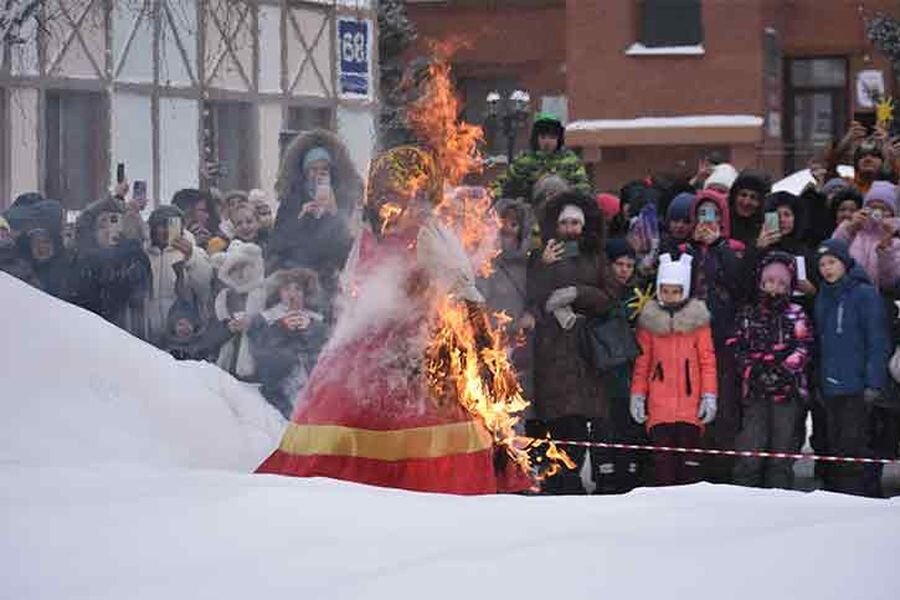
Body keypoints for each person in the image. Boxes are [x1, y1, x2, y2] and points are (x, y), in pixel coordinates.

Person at [257, 146, 523, 495]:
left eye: (402, 193)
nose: (394, 203)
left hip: (419, 346)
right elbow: (352, 286)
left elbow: (461, 286)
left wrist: (479, 344)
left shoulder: (429, 233)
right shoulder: (367, 234)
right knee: (340, 411)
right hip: (365, 342)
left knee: (424, 425)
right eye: (386, 194)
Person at [527, 190, 617, 494]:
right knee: (560, 422)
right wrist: (543, 266)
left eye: (575, 223)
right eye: (564, 222)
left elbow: (609, 297)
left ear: (584, 225)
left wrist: (579, 293)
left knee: (580, 422)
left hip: (586, 350)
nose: (569, 228)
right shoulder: (543, 255)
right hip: (552, 351)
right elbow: (531, 300)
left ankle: (572, 481)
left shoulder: (596, 257)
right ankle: (563, 482)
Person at [630, 253, 718, 486]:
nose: (670, 296)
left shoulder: (697, 323)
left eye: (675, 291)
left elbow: (707, 362)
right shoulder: (649, 323)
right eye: (665, 290)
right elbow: (642, 363)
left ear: (685, 290)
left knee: (689, 463)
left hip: (690, 407)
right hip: (660, 407)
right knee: (663, 464)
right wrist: (638, 395)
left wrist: (709, 396)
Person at [678, 188, 746, 482]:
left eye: (713, 215)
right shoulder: (683, 250)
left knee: (723, 401)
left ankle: (722, 468)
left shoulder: (733, 248)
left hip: (721, 335)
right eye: (702, 215)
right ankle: (694, 465)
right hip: (688, 336)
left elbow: (739, 284)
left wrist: (719, 245)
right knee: (691, 399)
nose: (707, 222)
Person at [729, 252, 813, 489]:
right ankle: (744, 495)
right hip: (755, 392)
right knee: (750, 449)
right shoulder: (749, 312)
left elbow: (804, 346)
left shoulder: (796, 313)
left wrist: (783, 371)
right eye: (769, 281)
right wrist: (753, 371)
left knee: (782, 450)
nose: (774, 288)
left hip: (787, 393)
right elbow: (737, 346)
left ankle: (780, 498)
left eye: (781, 283)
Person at [814, 239, 891, 496]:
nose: (827, 269)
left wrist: (874, 382)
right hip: (831, 386)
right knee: (837, 447)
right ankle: (841, 498)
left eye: (832, 262)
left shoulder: (864, 294)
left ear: (845, 262)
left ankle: (859, 499)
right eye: (822, 264)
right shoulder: (823, 296)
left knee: (855, 447)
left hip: (857, 386)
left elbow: (877, 340)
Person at [267, 130, 361, 316]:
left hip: (330, 284)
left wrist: (335, 215)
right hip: (295, 284)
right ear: (304, 172)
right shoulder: (291, 203)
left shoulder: (344, 203)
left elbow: (349, 254)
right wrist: (301, 219)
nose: (318, 175)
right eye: (313, 169)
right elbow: (277, 246)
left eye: (323, 170)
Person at [598, 238, 651, 493]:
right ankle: (604, 475)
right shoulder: (598, 293)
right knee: (604, 428)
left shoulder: (638, 296)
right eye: (619, 264)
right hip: (604, 371)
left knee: (629, 427)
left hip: (630, 372)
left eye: (629, 265)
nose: (624, 270)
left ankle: (629, 474)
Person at [249, 268, 327, 419]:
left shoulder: (317, 320)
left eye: (298, 289)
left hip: (312, 390)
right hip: (278, 392)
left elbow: (323, 353)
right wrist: (281, 329)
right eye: (286, 289)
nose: (292, 294)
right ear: (279, 292)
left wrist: (310, 330)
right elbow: (262, 355)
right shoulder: (265, 319)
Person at [478, 198, 535, 401]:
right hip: (492, 345)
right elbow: (476, 303)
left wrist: (531, 315)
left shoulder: (531, 264)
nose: (507, 229)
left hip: (524, 347)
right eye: (502, 222)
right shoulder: (482, 261)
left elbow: (540, 298)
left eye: (513, 224)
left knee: (521, 402)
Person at [71, 197, 151, 338]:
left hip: (129, 339)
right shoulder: (85, 262)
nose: (108, 231)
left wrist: (131, 246)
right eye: (102, 226)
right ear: (93, 232)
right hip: (92, 337)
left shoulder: (135, 258)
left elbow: (137, 294)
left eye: (115, 225)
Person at [144, 205, 213, 345]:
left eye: (172, 225)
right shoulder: (143, 253)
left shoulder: (194, 252)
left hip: (184, 335)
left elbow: (205, 290)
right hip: (150, 336)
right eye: (162, 226)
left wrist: (191, 258)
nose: (167, 231)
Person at [492, 113, 591, 202]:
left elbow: (583, 186)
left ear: (559, 139)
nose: (547, 141)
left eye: (552, 137)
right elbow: (502, 182)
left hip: (563, 209)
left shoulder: (570, 160)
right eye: (543, 137)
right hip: (532, 209)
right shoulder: (525, 160)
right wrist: (499, 197)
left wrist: (570, 195)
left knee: (553, 183)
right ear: (536, 138)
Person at [210, 240, 267, 380]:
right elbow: (210, 335)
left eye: (244, 267)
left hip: (258, 366)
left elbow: (273, 329)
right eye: (233, 269)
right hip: (228, 366)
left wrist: (253, 324)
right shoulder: (224, 297)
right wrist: (228, 329)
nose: (240, 273)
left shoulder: (266, 293)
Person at [831, 181, 900, 292]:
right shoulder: (852, 232)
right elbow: (832, 253)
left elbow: (889, 281)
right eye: (872, 207)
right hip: (844, 295)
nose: (877, 213)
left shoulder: (895, 243)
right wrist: (849, 229)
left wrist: (886, 247)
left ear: (892, 214)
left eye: (883, 209)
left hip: (874, 300)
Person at [172, 188, 228, 254]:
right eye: (203, 210)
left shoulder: (215, 236)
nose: (207, 216)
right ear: (187, 211)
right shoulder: (169, 237)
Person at [728, 169, 771, 249]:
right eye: (743, 195)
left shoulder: (766, 227)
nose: (746, 202)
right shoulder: (722, 222)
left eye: (753, 197)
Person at [660, 192, 694, 256]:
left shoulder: (699, 252)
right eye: (675, 220)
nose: (680, 225)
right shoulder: (658, 246)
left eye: (686, 221)